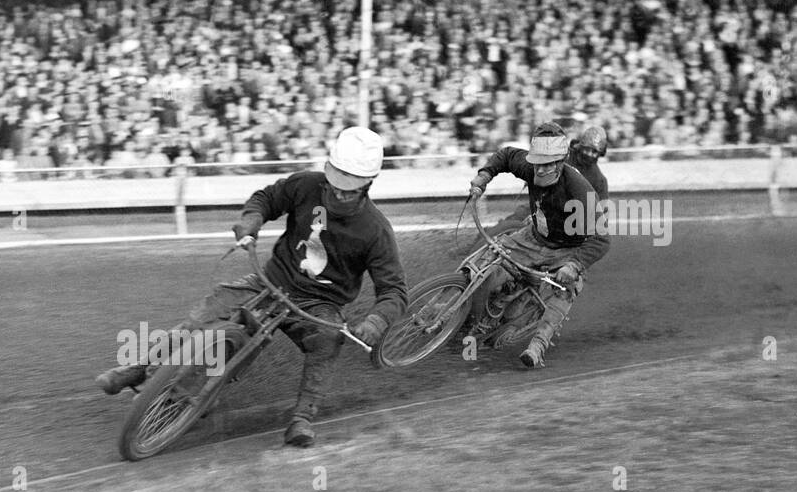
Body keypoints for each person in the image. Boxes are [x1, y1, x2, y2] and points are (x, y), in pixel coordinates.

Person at [95, 126, 407, 447]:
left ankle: (302, 416)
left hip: (317, 306)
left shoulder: (376, 230)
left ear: (368, 183)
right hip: (270, 279)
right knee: (205, 315)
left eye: (349, 188)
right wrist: (251, 222)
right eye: (336, 182)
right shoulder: (306, 185)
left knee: (328, 342)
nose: (339, 193)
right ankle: (141, 367)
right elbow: (266, 198)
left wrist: (377, 320)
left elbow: (395, 290)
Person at [466, 120, 609, 368]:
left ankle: (538, 345)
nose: (540, 171)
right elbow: (507, 154)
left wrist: (574, 265)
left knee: (565, 289)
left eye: (547, 165)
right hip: (536, 232)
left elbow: (602, 237)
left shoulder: (584, 188)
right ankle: (459, 304)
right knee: (493, 252)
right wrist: (484, 175)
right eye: (537, 163)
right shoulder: (530, 167)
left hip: (567, 248)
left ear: (560, 162)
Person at [568, 124, 609, 199]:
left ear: (600, 154)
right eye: (587, 149)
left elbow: (601, 208)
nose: (589, 154)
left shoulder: (599, 181)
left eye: (594, 151)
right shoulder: (563, 157)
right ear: (580, 146)